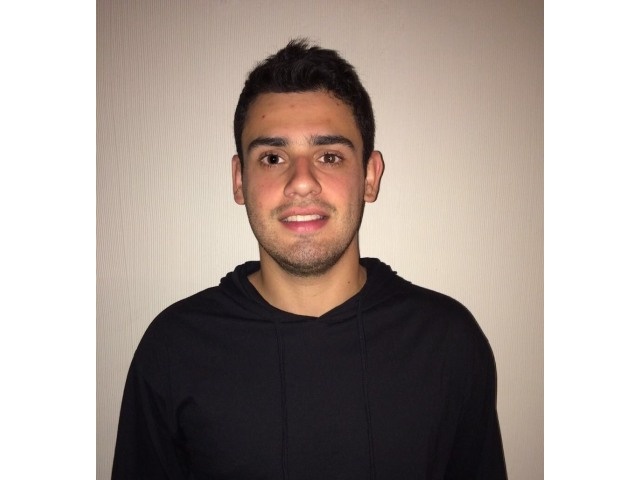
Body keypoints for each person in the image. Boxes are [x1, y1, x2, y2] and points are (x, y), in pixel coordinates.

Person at [111, 39, 508, 480]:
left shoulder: (448, 343)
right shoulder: (173, 349)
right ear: (239, 180)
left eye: (330, 156)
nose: (301, 182)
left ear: (370, 176)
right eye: (273, 157)